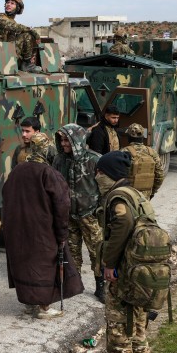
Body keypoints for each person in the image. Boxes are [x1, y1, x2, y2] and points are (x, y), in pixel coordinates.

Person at [2, 132, 83, 319]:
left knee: (25, 265)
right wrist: (62, 235)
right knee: (43, 266)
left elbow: (6, 195)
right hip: (42, 232)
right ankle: (43, 307)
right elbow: (62, 205)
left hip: (18, 229)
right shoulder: (48, 173)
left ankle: (30, 304)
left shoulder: (17, 171)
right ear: (46, 150)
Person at [96, 151, 153, 353]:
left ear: (110, 173)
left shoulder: (118, 198)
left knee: (119, 338)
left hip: (125, 274)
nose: (97, 176)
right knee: (138, 332)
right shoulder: (135, 193)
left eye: (100, 172)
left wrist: (109, 264)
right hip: (141, 273)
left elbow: (123, 224)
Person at [52, 124, 105, 302]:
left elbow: (105, 188)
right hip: (69, 216)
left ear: (77, 140)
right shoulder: (59, 160)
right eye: (61, 140)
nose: (63, 143)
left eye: (67, 140)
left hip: (90, 215)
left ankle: (101, 286)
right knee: (72, 252)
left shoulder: (95, 160)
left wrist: (100, 210)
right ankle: (75, 284)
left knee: (97, 252)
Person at [0, 0, 42, 73]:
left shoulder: (13, 21)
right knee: (26, 35)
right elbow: (13, 26)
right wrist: (32, 31)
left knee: (26, 35)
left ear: (18, 8)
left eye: (12, 3)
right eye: (7, 2)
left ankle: (26, 62)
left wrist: (33, 53)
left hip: (8, 53)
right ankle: (26, 64)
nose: (8, 4)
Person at [120, 123, 164, 198]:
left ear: (129, 137)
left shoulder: (123, 151)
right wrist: (152, 191)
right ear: (143, 136)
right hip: (146, 195)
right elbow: (160, 175)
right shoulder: (152, 152)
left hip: (128, 194)